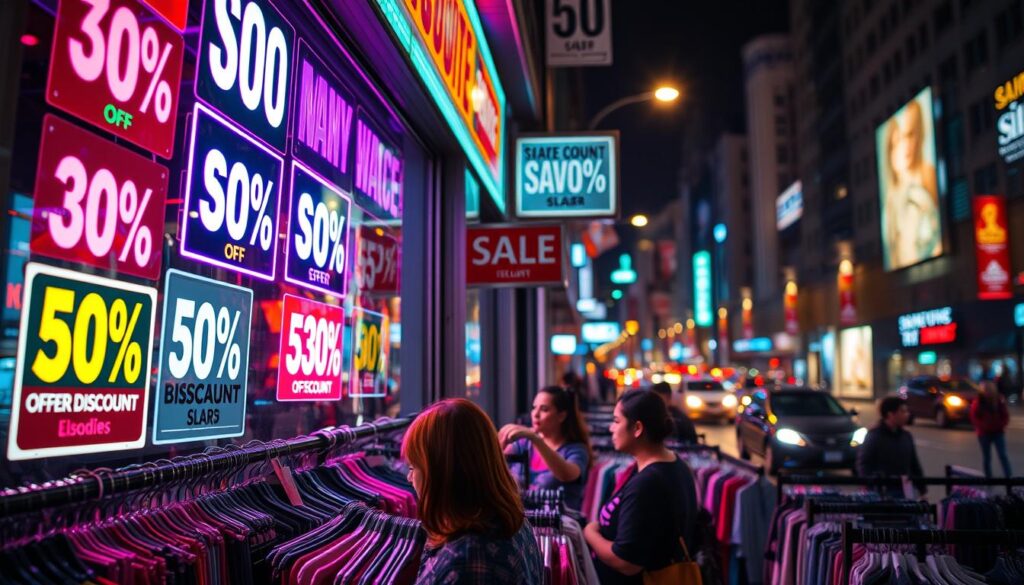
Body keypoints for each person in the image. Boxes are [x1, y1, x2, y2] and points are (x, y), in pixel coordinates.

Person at [403, 398, 543, 584]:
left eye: (413, 467)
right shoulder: (515, 523)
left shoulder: (466, 559)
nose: (408, 478)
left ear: (442, 474)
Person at [583, 389, 698, 584]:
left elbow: (627, 562)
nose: (611, 428)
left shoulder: (648, 483)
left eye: (617, 421)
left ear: (637, 428)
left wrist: (589, 533)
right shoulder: (674, 465)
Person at [498, 386, 592, 513]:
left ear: (561, 416)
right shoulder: (523, 444)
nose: (535, 414)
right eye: (534, 408)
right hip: (521, 523)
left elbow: (567, 475)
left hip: (559, 527)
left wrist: (536, 439)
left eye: (544, 409)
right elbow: (496, 464)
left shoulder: (576, 450)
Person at [881, 97, 941, 270]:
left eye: (909, 135)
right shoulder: (891, 198)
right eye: (897, 142)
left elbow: (935, 235)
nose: (905, 146)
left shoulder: (926, 175)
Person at [856, 396, 926, 494]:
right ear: (890, 414)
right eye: (903, 411)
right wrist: (870, 487)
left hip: (905, 490)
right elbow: (864, 465)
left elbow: (914, 465)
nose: (907, 415)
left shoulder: (906, 436)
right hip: (882, 493)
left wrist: (922, 490)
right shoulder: (874, 436)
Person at [971, 381, 1012, 478]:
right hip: (984, 433)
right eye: (985, 390)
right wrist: (982, 426)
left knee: (1002, 455)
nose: (987, 392)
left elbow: (1005, 415)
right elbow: (974, 416)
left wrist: (1001, 425)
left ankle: (1008, 476)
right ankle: (988, 477)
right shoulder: (979, 401)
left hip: (997, 432)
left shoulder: (998, 400)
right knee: (987, 457)